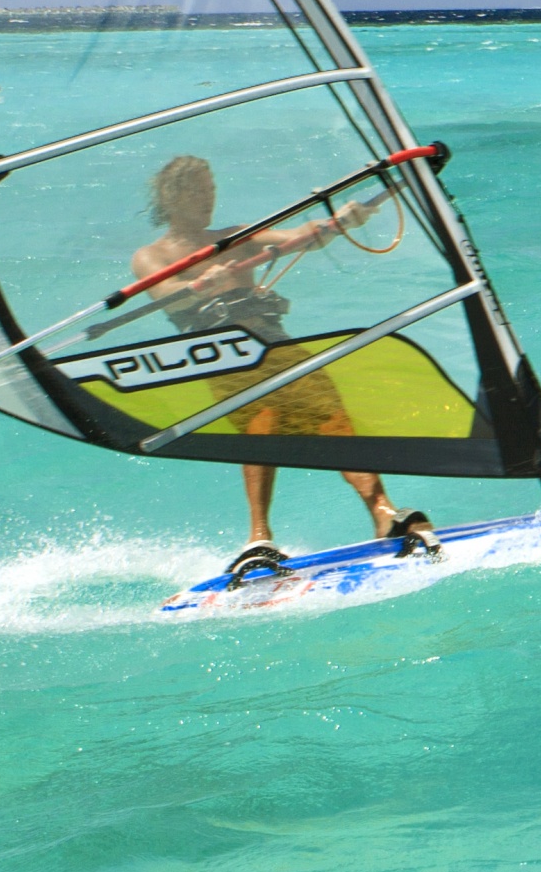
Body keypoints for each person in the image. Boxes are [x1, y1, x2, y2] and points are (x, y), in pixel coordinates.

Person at [131, 155, 437, 576]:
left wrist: (343, 219)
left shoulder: (234, 236)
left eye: (211, 187)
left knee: (335, 419)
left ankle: (384, 513)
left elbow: (300, 237)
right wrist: (201, 283)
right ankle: (259, 538)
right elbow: (169, 291)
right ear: (173, 196)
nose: (208, 197)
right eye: (198, 190)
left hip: (275, 343)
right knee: (263, 423)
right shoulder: (151, 255)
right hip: (224, 351)